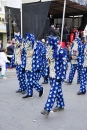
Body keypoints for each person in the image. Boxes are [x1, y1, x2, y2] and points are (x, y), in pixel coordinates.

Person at [41, 36, 67, 116]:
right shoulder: (50, 52)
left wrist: (60, 76)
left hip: (58, 75)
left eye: (49, 44)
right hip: (52, 74)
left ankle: (47, 108)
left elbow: (64, 65)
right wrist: (47, 73)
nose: (48, 46)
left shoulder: (61, 51)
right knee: (57, 90)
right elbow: (49, 63)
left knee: (53, 91)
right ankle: (61, 105)